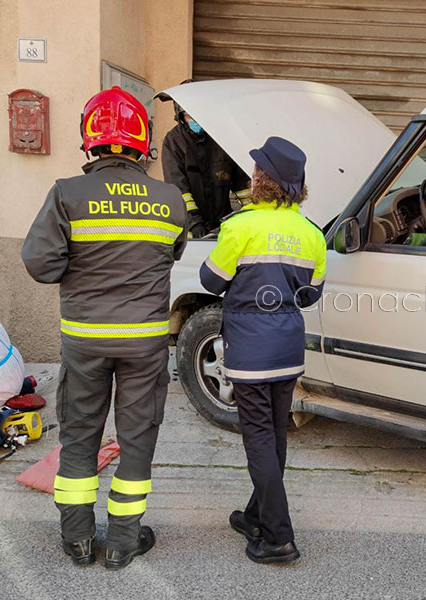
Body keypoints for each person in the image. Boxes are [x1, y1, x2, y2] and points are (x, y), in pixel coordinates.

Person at [22, 87, 187, 569]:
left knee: (79, 435)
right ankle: (121, 542)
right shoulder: (169, 199)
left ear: (89, 139)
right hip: (145, 344)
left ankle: (76, 539)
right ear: (143, 141)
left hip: (85, 340)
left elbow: (40, 264)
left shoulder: (66, 193)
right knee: (137, 439)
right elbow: (173, 252)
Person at [198, 137, 326, 564]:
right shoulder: (312, 234)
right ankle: (256, 516)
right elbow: (310, 295)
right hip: (288, 350)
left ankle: (278, 536)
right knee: (275, 434)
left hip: (250, 350)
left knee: (258, 439)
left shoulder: (240, 226)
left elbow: (210, 281)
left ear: (261, 179)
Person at [161, 89, 250, 238]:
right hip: (190, 230)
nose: (196, 120)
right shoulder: (174, 142)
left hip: (223, 226)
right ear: (180, 116)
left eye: (199, 114)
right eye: (190, 115)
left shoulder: (221, 138)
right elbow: (177, 189)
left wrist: (253, 213)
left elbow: (242, 185)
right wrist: (194, 223)